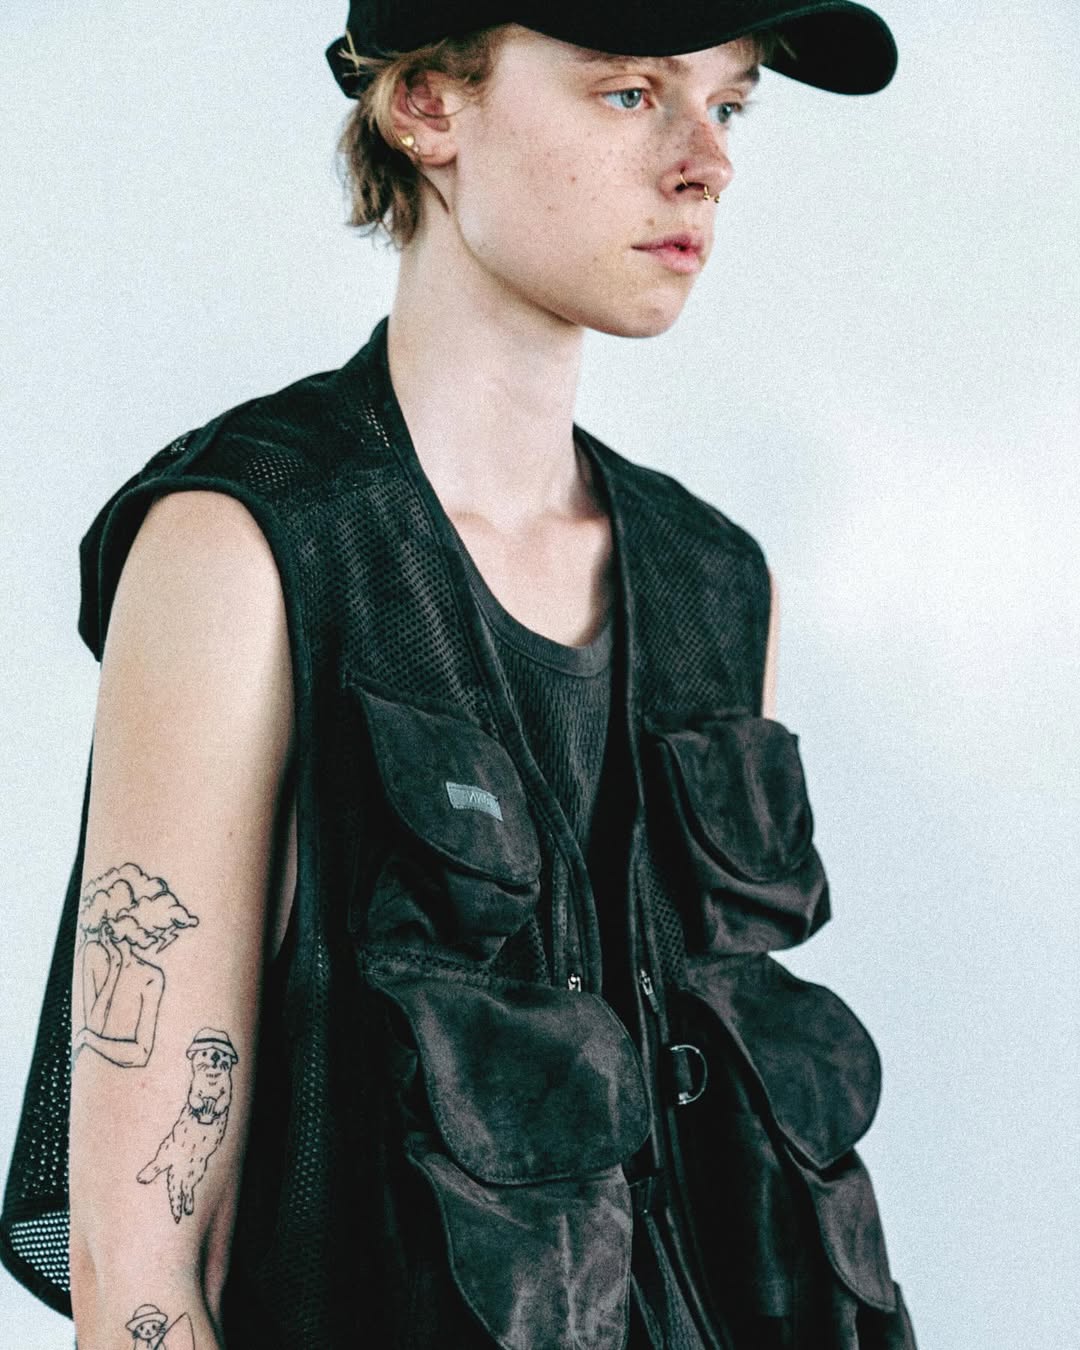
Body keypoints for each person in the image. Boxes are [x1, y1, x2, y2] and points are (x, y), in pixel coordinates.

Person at [1, 3, 916, 1347]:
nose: (706, 164)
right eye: (629, 94)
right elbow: (138, 1262)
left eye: (725, 105)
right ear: (428, 105)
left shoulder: (718, 583)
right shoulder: (249, 547)